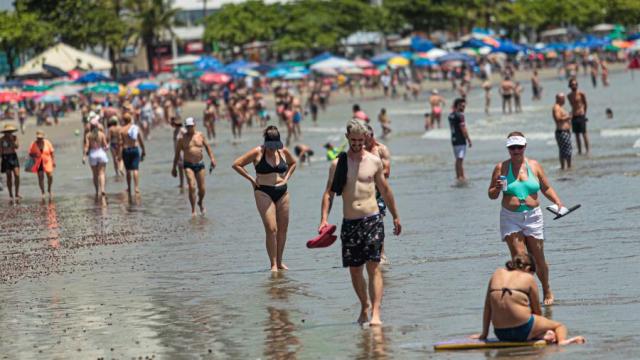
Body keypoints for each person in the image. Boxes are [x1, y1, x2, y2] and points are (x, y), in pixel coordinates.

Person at [319, 119, 401, 326]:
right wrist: (324, 220)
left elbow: (385, 190)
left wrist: (395, 216)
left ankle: (376, 312)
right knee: (355, 270)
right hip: (350, 222)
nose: (356, 144)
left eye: (360, 140)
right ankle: (364, 305)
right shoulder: (338, 164)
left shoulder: (374, 161)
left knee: (373, 267)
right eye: (353, 140)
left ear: (365, 138)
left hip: (372, 219)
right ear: (347, 138)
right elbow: (329, 193)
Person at [488, 132, 565, 305]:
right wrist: (497, 189)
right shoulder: (501, 168)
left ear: (525, 147)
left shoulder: (534, 165)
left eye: (519, 147)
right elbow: (491, 195)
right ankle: (528, 294)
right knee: (520, 257)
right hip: (510, 217)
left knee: (538, 258)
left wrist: (558, 201)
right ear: (508, 148)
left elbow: (546, 187)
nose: (516, 151)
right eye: (512, 147)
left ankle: (546, 289)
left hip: (533, 216)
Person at [473, 254, 586, 345]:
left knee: (541, 328)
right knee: (559, 326)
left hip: (500, 332)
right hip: (522, 329)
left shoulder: (497, 273)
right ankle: (562, 342)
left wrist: (484, 334)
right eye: (532, 272)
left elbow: (487, 307)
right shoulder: (528, 278)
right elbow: (537, 311)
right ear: (527, 268)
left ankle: (543, 335)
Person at [232, 126, 297, 272]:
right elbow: (236, 164)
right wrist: (251, 179)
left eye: (275, 147)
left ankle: (280, 262)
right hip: (263, 192)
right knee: (271, 229)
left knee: (283, 229)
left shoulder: (283, 151)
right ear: (265, 143)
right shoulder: (257, 152)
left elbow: (293, 163)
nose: (273, 150)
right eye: (270, 147)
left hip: (283, 192)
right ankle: (273, 264)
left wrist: (286, 178)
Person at [172, 117, 217, 216]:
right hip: (188, 165)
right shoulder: (182, 139)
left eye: (190, 126)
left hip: (200, 164)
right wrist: (174, 168)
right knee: (192, 187)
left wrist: (212, 159)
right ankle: (193, 210)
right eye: (187, 127)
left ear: (194, 125)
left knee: (202, 189)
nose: (189, 128)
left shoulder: (200, 135)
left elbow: (208, 148)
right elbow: (177, 154)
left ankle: (200, 202)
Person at [120, 113, 146, 195]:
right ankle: (136, 187)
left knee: (128, 170)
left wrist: (119, 155)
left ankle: (129, 187)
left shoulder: (122, 130)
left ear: (123, 120)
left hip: (126, 150)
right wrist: (143, 150)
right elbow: (141, 140)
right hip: (135, 149)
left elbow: (121, 143)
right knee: (135, 169)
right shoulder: (135, 128)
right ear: (130, 119)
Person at [83, 119, 109, 198]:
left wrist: (84, 157)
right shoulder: (101, 134)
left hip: (92, 154)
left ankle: (97, 191)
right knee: (101, 173)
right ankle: (103, 189)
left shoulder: (88, 135)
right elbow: (105, 146)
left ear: (90, 126)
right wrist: (107, 147)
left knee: (95, 174)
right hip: (101, 153)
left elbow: (86, 146)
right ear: (97, 126)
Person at [448, 98, 472, 181]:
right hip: (460, 140)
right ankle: (462, 177)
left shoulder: (451, 115)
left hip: (454, 140)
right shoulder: (460, 116)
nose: (463, 108)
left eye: (464, 106)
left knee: (457, 159)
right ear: (457, 105)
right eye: (462, 106)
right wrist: (468, 139)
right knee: (460, 159)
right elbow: (463, 128)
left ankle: (458, 176)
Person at [28, 131, 55, 199]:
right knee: (40, 177)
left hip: (47, 161)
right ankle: (43, 192)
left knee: (50, 176)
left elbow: (52, 152)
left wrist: (53, 161)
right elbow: (30, 153)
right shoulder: (33, 144)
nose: (39, 139)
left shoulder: (47, 142)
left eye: (41, 138)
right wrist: (35, 155)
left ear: (43, 137)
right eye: (38, 138)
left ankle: (49, 189)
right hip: (38, 162)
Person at [567, 78, 589, 155]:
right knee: (576, 135)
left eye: (575, 84)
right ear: (570, 86)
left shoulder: (581, 94)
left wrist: (584, 113)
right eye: (572, 84)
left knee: (584, 133)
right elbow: (572, 106)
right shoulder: (569, 96)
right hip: (574, 116)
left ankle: (587, 150)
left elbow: (585, 104)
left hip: (581, 115)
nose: (574, 86)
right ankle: (580, 151)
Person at [1, 124, 20, 202]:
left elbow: (17, 147)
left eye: (10, 132)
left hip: (13, 156)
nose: (9, 133)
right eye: (7, 132)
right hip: (5, 157)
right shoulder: (1, 139)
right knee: (9, 176)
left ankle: (17, 193)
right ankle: (10, 194)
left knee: (17, 174)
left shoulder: (15, 137)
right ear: (5, 132)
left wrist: (12, 140)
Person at [552, 94, 572, 170]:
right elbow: (558, 119)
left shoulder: (560, 107)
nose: (564, 100)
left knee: (565, 150)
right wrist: (568, 117)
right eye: (563, 98)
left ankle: (566, 167)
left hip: (565, 132)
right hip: (561, 132)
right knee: (566, 151)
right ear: (558, 99)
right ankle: (565, 167)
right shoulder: (556, 108)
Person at [171, 117, 185, 188]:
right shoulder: (175, 131)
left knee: (184, 167)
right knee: (180, 167)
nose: (172, 123)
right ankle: (181, 183)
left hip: (182, 151)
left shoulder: (182, 130)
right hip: (177, 152)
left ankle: (188, 183)